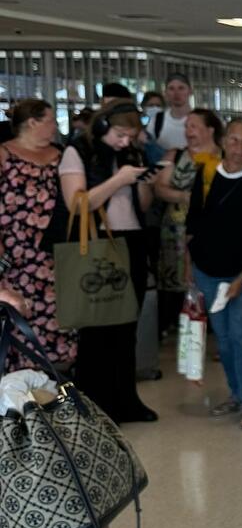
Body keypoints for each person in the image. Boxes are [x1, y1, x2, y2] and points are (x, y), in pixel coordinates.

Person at [58, 101, 158, 422]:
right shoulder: (77, 151)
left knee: (127, 326)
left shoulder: (131, 154)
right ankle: (95, 406)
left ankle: (127, 400)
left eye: (131, 136)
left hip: (132, 241)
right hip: (98, 243)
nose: (124, 142)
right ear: (102, 126)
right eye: (119, 134)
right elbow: (77, 205)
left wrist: (144, 182)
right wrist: (118, 180)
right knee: (97, 330)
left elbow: (141, 205)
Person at [185, 119, 242, 432]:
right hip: (207, 271)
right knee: (222, 339)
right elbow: (193, 225)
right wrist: (190, 270)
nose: (238, 148)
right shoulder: (207, 175)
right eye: (233, 140)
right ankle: (235, 395)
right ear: (223, 141)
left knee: (240, 335)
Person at [0, 99, 76, 367]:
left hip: (54, 252)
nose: (55, 127)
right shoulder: (4, 153)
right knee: (18, 317)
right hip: (14, 255)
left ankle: (56, 381)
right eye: (51, 121)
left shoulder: (61, 154)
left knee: (57, 319)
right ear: (32, 123)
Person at [155, 108, 223, 327]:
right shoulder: (175, 154)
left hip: (213, 229)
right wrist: (187, 196)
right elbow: (160, 188)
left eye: (193, 126)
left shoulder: (224, 157)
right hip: (176, 230)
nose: (188, 131)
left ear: (210, 129)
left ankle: (213, 322)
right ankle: (180, 321)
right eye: (186, 126)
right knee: (175, 277)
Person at [147, 72, 192, 152]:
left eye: (181, 88)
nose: (176, 93)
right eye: (171, 88)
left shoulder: (202, 119)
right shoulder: (157, 120)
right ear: (165, 93)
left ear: (190, 91)